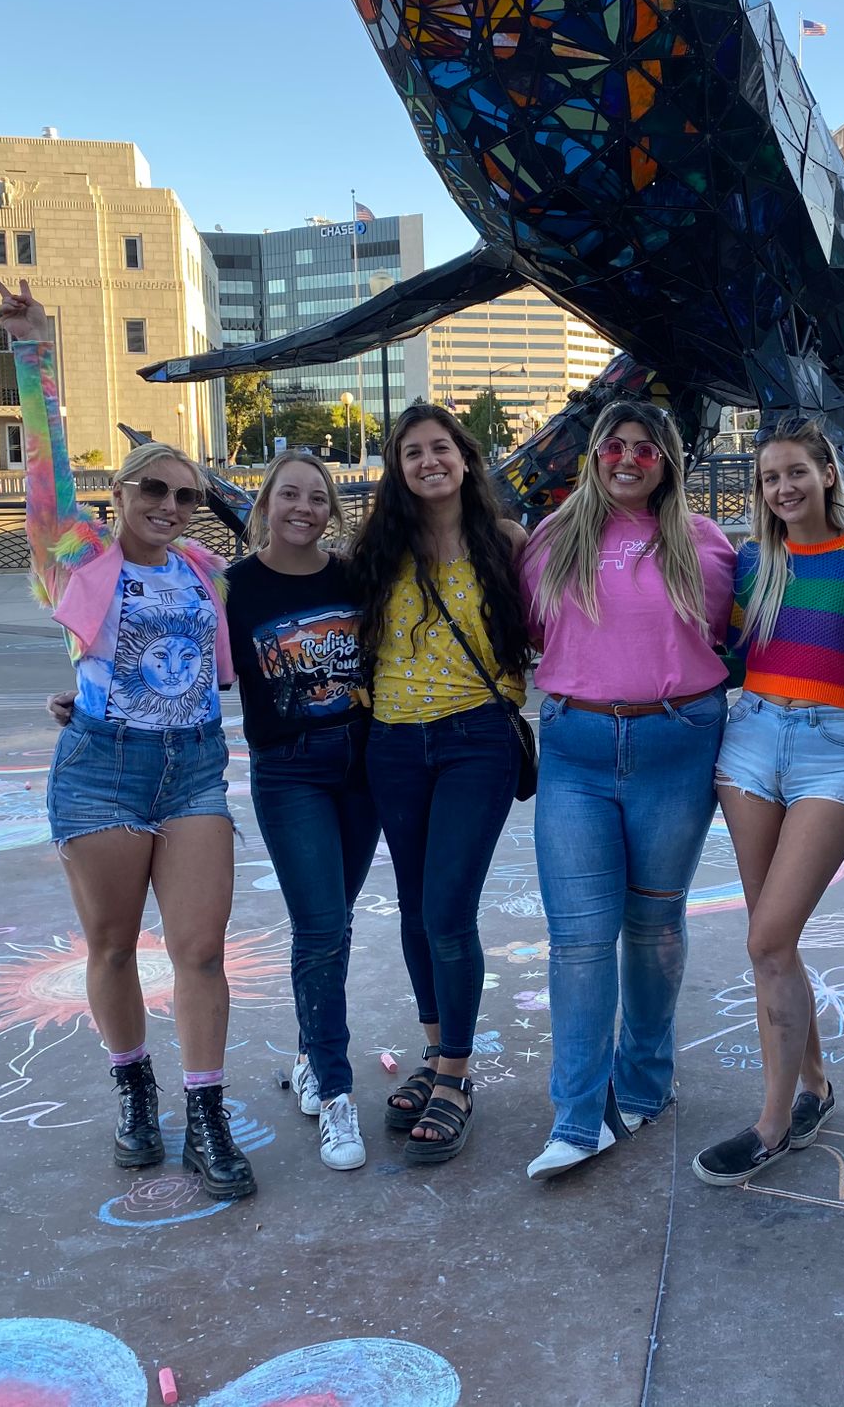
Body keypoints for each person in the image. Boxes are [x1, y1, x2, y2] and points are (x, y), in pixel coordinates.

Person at [0, 277, 252, 1199]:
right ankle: (135, 1093)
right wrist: (35, 356)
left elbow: (295, 569)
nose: (170, 503)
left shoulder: (205, 569)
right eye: (153, 486)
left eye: (184, 493)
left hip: (192, 775)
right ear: (122, 492)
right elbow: (43, 474)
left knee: (200, 950)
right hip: (101, 773)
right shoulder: (77, 555)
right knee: (110, 947)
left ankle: (207, 1117)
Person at [520, 399, 735, 1179]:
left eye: (647, 448)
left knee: (653, 927)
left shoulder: (705, 544)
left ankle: (644, 1083)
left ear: (668, 461)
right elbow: (541, 634)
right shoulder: (551, 541)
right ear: (594, 454)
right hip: (576, 752)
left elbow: (727, 631)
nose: (628, 459)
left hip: (675, 747)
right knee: (579, 939)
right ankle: (577, 1117)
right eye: (614, 445)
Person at [692, 419, 844, 1185]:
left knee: (769, 939)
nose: (784, 488)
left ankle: (770, 1125)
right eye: (771, 478)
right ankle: (812, 1087)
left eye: (797, 472)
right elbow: (730, 654)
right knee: (771, 940)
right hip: (750, 744)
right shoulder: (753, 564)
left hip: (833, 751)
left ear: (829, 474)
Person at [353, 403, 531, 1165]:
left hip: (476, 741)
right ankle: (434, 1050)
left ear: (465, 458)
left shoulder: (508, 543)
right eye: (412, 452)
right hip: (392, 743)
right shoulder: (375, 550)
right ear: (397, 469)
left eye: (441, 448)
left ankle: (456, 1073)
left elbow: (569, 620)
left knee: (449, 907)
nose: (429, 461)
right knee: (417, 905)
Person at [228, 451, 378, 1173]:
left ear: (331, 511)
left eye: (317, 497)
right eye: (289, 494)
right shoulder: (234, 589)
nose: (303, 507)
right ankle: (338, 1089)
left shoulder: (354, 578)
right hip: (288, 772)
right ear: (265, 503)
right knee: (321, 924)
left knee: (332, 921)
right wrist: (83, 697)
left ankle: (311, 1051)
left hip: (360, 765)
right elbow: (171, 654)